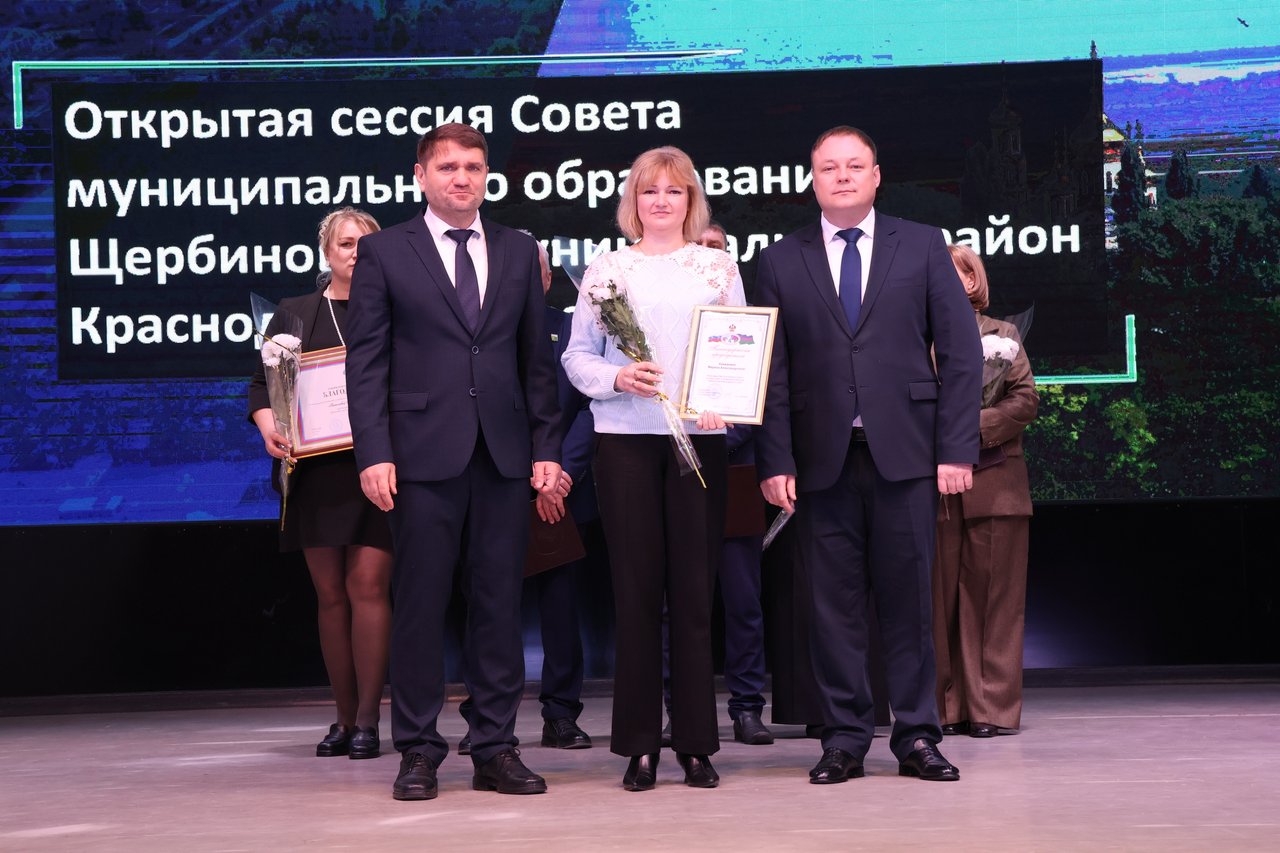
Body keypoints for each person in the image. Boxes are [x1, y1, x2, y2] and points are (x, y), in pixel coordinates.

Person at [756, 126, 982, 784]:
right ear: (813, 179)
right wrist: (776, 460)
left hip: (908, 457)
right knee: (832, 608)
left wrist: (956, 448)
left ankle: (917, 736)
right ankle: (845, 738)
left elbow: (961, 354)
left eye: (855, 165)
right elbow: (770, 373)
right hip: (818, 462)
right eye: (830, 167)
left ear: (877, 175)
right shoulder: (778, 259)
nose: (843, 176)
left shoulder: (923, 244)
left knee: (910, 604)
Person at [344, 123, 563, 801]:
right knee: (420, 604)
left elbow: (536, 361)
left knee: (498, 604)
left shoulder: (519, 249)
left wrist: (547, 449)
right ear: (420, 176)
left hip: (503, 454)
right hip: (417, 456)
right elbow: (366, 361)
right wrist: (374, 451)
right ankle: (417, 749)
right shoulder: (385, 251)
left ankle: (495, 747)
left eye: (472, 166)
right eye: (447, 167)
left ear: (486, 175)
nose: (461, 177)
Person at [562, 146, 745, 791]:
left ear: (691, 199)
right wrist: (617, 378)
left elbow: (737, 348)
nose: (661, 201)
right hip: (625, 444)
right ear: (632, 202)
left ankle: (696, 744)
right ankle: (638, 746)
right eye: (649, 191)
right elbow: (577, 358)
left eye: (673, 190)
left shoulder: (718, 267)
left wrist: (724, 404)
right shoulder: (607, 270)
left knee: (694, 596)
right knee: (636, 594)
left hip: (699, 440)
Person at [248, 207, 392, 761]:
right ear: (327, 252)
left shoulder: (398, 309)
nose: (356, 253)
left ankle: (368, 721)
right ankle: (342, 717)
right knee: (331, 596)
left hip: (380, 469)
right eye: (346, 244)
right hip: (314, 472)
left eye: (366, 244)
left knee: (367, 588)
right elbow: (262, 385)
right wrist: (270, 425)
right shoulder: (296, 312)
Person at [932, 244, 1038, 738]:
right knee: (936, 604)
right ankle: (943, 708)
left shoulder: (1004, 335)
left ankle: (990, 708)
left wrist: (966, 428)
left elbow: (1025, 401)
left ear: (973, 281)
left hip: (996, 485)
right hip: (932, 487)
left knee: (994, 600)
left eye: (951, 272)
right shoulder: (911, 335)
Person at [696, 220, 773, 746]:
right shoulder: (658, 320)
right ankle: (681, 709)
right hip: (674, 475)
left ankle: (747, 708)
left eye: (717, 248)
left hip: (736, 474)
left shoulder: (747, 323)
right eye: (698, 246)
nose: (708, 254)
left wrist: (712, 443)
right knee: (677, 604)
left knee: (743, 601)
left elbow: (758, 399)